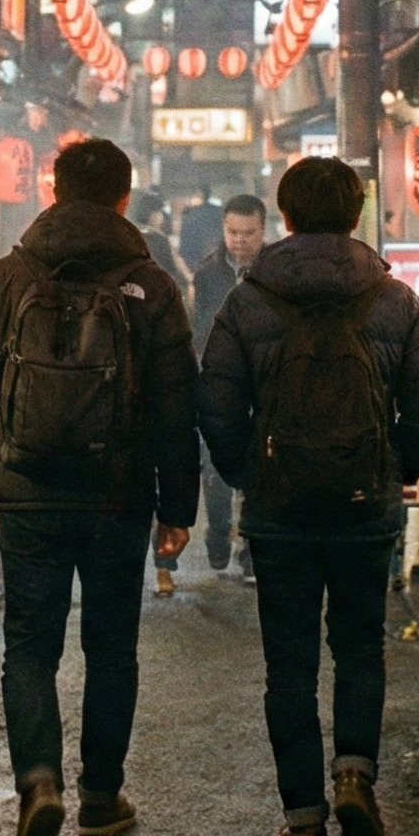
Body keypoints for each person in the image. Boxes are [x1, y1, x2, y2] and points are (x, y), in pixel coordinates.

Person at [0, 139, 199, 836]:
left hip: (27, 491)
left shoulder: (7, 276)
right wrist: (176, 507)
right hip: (118, 496)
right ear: (125, 198)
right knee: (111, 647)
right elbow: (176, 405)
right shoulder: (151, 284)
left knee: (29, 646)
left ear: (52, 191)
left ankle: (38, 782)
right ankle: (101, 797)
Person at [198, 157, 419, 836]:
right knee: (361, 647)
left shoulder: (250, 301)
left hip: (280, 514)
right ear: (357, 215)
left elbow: (215, 403)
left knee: (290, 666)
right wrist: (394, 468)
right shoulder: (394, 299)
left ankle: (304, 823)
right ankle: (355, 775)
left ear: (284, 217)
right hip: (364, 506)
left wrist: (252, 472)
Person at [188, 195, 268, 575]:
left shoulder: (275, 270)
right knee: (215, 469)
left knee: (258, 472)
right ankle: (218, 532)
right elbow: (199, 332)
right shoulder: (206, 274)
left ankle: (252, 549)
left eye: (248, 233)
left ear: (262, 230)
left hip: (263, 385)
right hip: (220, 385)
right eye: (232, 232)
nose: (239, 240)